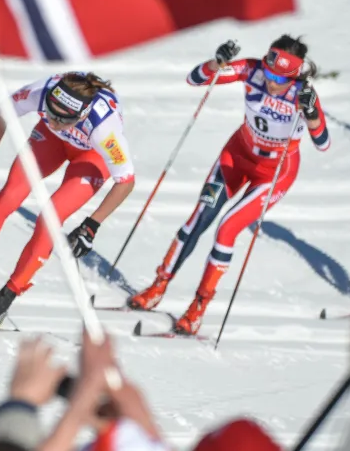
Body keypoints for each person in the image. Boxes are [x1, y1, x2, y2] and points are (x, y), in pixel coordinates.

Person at [128, 36, 329, 335]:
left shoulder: (302, 93)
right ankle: (158, 286)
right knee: (198, 219)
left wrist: (311, 112)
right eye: (269, 73)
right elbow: (196, 79)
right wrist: (217, 61)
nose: (272, 82)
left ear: (294, 75)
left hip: (275, 173)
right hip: (237, 155)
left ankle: (198, 308)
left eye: (280, 79)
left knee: (227, 228)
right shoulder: (252, 71)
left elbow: (323, 142)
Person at [0, 72, 136, 329]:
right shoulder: (42, 91)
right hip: (52, 143)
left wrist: (92, 224)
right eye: (50, 113)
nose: (54, 121)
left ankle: (4, 300)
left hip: (91, 156)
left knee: (50, 218)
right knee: (9, 195)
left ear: (81, 116)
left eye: (62, 119)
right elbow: (3, 113)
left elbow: (126, 181)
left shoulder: (104, 128)